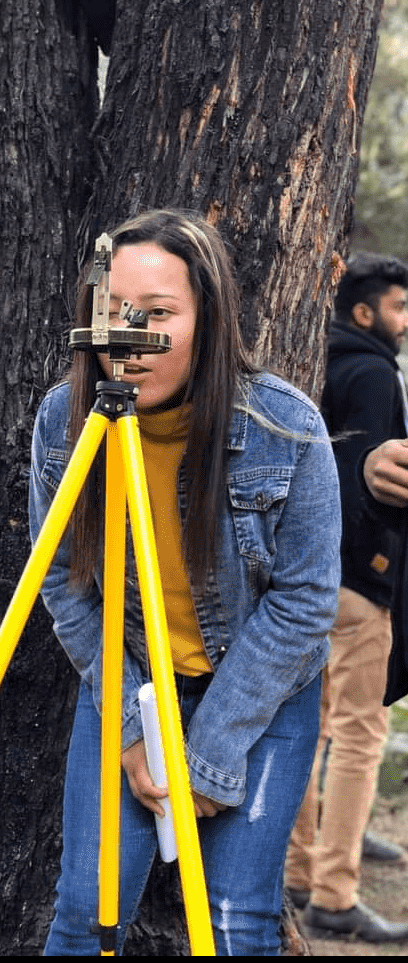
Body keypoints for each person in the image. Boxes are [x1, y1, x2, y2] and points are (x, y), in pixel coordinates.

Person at [28, 208, 342, 956]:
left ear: (208, 316)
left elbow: (304, 603)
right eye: (114, 313)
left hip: (260, 692)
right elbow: (64, 587)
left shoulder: (283, 424)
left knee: (235, 923)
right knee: (86, 913)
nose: (129, 337)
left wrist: (205, 752)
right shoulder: (65, 421)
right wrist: (135, 736)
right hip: (131, 677)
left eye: (159, 313)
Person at [285, 253, 408, 943]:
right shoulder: (369, 372)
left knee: (310, 729)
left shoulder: (320, 359)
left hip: (309, 579)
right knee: (359, 736)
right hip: (357, 580)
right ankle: (334, 890)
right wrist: (378, 569)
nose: (404, 319)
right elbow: (367, 476)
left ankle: (302, 873)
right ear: (363, 313)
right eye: (396, 306)